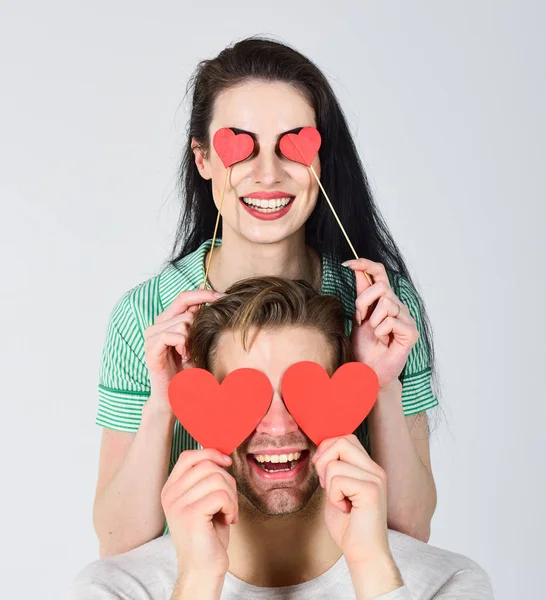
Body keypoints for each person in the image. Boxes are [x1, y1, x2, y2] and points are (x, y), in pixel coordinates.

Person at [93, 36, 440, 558]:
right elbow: (118, 544)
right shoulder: (144, 315)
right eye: (241, 145)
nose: (268, 173)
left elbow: (410, 533)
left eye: (292, 145)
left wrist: (379, 383)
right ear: (204, 159)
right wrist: (164, 401)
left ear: (320, 158)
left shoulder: (380, 308)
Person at [71, 278, 491, 600]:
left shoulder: (448, 583)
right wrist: (198, 580)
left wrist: (371, 567)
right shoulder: (115, 589)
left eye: (300, 393)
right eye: (245, 395)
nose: (277, 427)